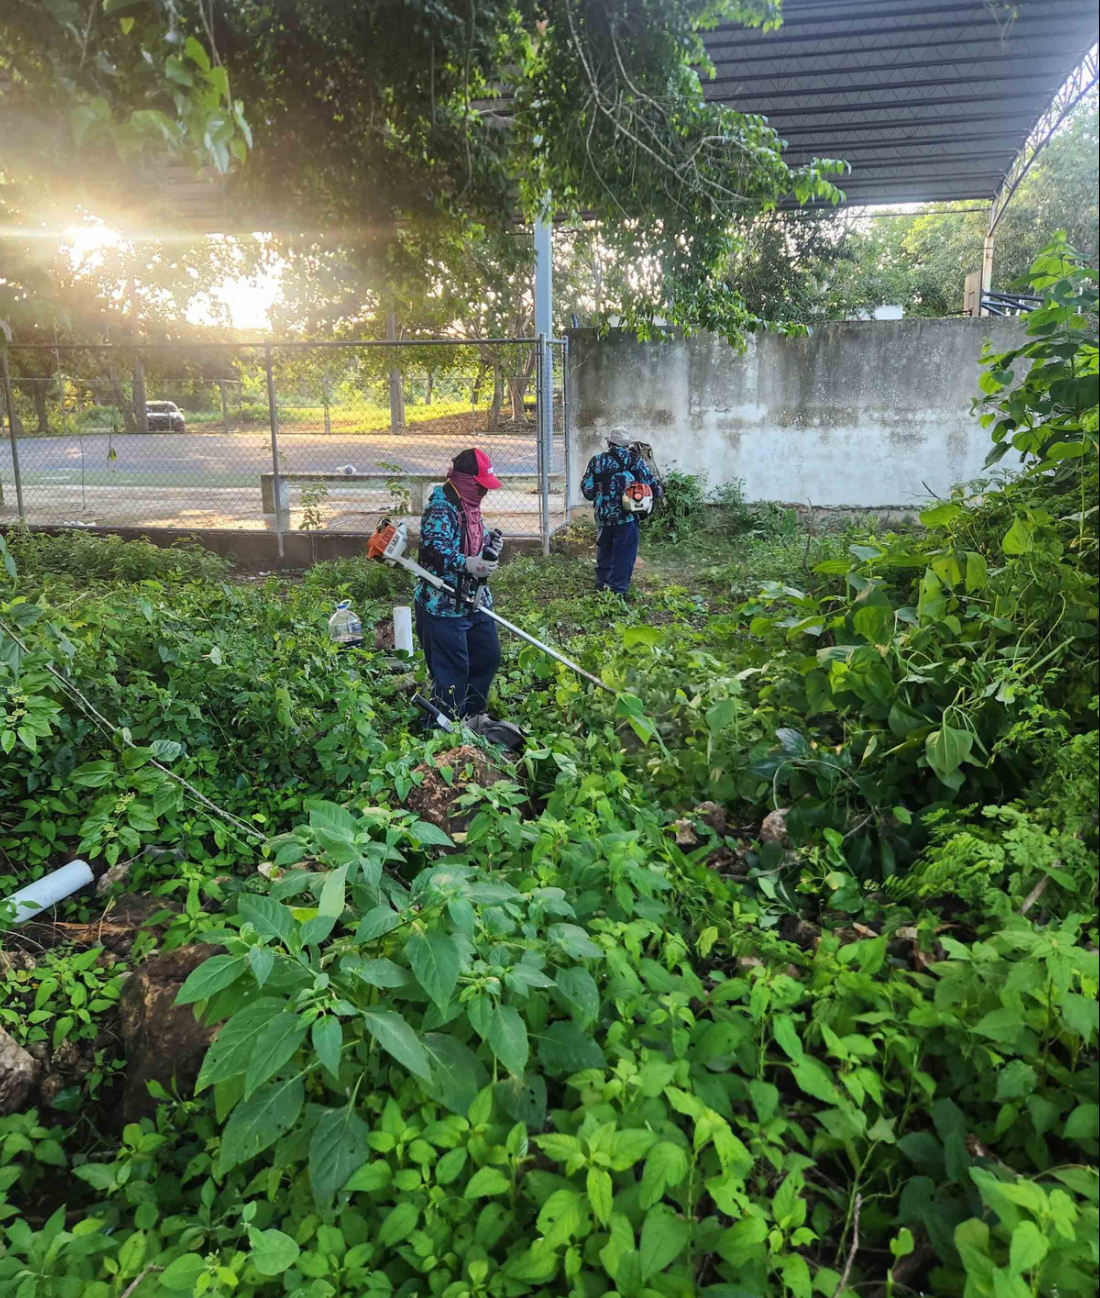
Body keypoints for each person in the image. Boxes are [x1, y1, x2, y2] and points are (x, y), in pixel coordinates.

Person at [414, 447, 504, 721]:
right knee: (451, 673)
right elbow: (433, 548)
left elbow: (474, 536)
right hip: (443, 606)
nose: (484, 494)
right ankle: (444, 729)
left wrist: (490, 544)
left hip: (474, 600)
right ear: (466, 482)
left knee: (487, 656)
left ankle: (472, 717)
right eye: (480, 487)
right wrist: (467, 564)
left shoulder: (470, 507)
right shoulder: (442, 507)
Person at [580, 427, 662, 596]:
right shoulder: (635, 461)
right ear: (627, 444)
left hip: (603, 517)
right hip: (627, 516)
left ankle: (601, 587)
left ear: (609, 443)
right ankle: (618, 592)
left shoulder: (596, 461)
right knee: (624, 554)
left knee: (605, 551)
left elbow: (587, 492)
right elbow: (652, 488)